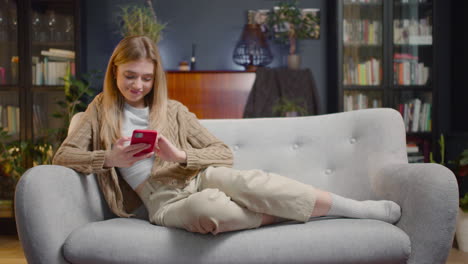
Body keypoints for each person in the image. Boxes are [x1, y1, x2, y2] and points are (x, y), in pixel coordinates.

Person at [52, 35, 401, 235]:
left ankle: (356, 209)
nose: (137, 85)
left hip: (199, 176)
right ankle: (292, 211)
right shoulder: (96, 112)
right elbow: (63, 156)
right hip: (161, 201)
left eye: (146, 78)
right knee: (211, 213)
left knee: (255, 183)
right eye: (130, 75)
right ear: (115, 70)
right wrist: (108, 159)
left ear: (156, 78)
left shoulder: (172, 110)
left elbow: (222, 152)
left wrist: (181, 156)